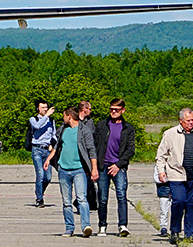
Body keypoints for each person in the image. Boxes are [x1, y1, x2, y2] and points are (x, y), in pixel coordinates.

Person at [154, 107, 193, 242]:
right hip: (176, 175)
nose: (191, 123)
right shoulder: (170, 134)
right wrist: (161, 171)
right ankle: (174, 230)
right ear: (181, 121)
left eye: (192, 120)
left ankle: (190, 234)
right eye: (188, 121)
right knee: (179, 201)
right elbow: (161, 155)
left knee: (192, 204)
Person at [91, 99, 137, 236]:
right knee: (103, 197)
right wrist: (94, 166)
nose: (113, 112)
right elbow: (94, 145)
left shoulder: (128, 128)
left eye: (116, 109)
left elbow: (130, 149)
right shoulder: (101, 126)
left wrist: (118, 164)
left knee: (121, 195)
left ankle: (122, 225)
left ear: (123, 110)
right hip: (103, 165)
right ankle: (102, 225)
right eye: (111, 109)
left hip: (119, 166)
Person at [55, 103, 90, 236]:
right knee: (66, 201)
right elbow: (56, 145)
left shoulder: (83, 130)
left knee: (82, 198)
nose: (63, 118)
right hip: (64, 169)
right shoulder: (63, 129)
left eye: (64, 115)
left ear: (69, 116)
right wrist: (50, 160)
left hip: (79, 169)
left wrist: (93, 169)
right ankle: (69, 227)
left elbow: (91, 150)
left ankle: (86, 225)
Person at [27, 100, 57, 207]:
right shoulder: (33, 119)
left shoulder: (51, 120)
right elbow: (37, 126)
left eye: (46, 107)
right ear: (38, 109)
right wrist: (46, 116)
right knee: (40, 174)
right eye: (42, 107)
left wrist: (52, 143)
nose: (45, 109)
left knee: (48, 177)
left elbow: (54, 134)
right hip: (37, 149)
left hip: (47, 150)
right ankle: (39, 199)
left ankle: (40, 191)